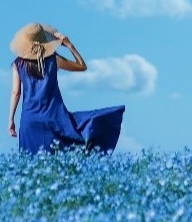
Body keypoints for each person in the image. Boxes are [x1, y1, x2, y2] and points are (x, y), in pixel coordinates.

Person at [8, 22, 125, 153]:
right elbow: (81, 66)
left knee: (30, 167)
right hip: (53, 119)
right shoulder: (54, 59)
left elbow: (15, 92)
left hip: (29, 120)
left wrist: (11, 120)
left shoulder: (17, 64)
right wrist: (69, 45)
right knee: (58, 163)